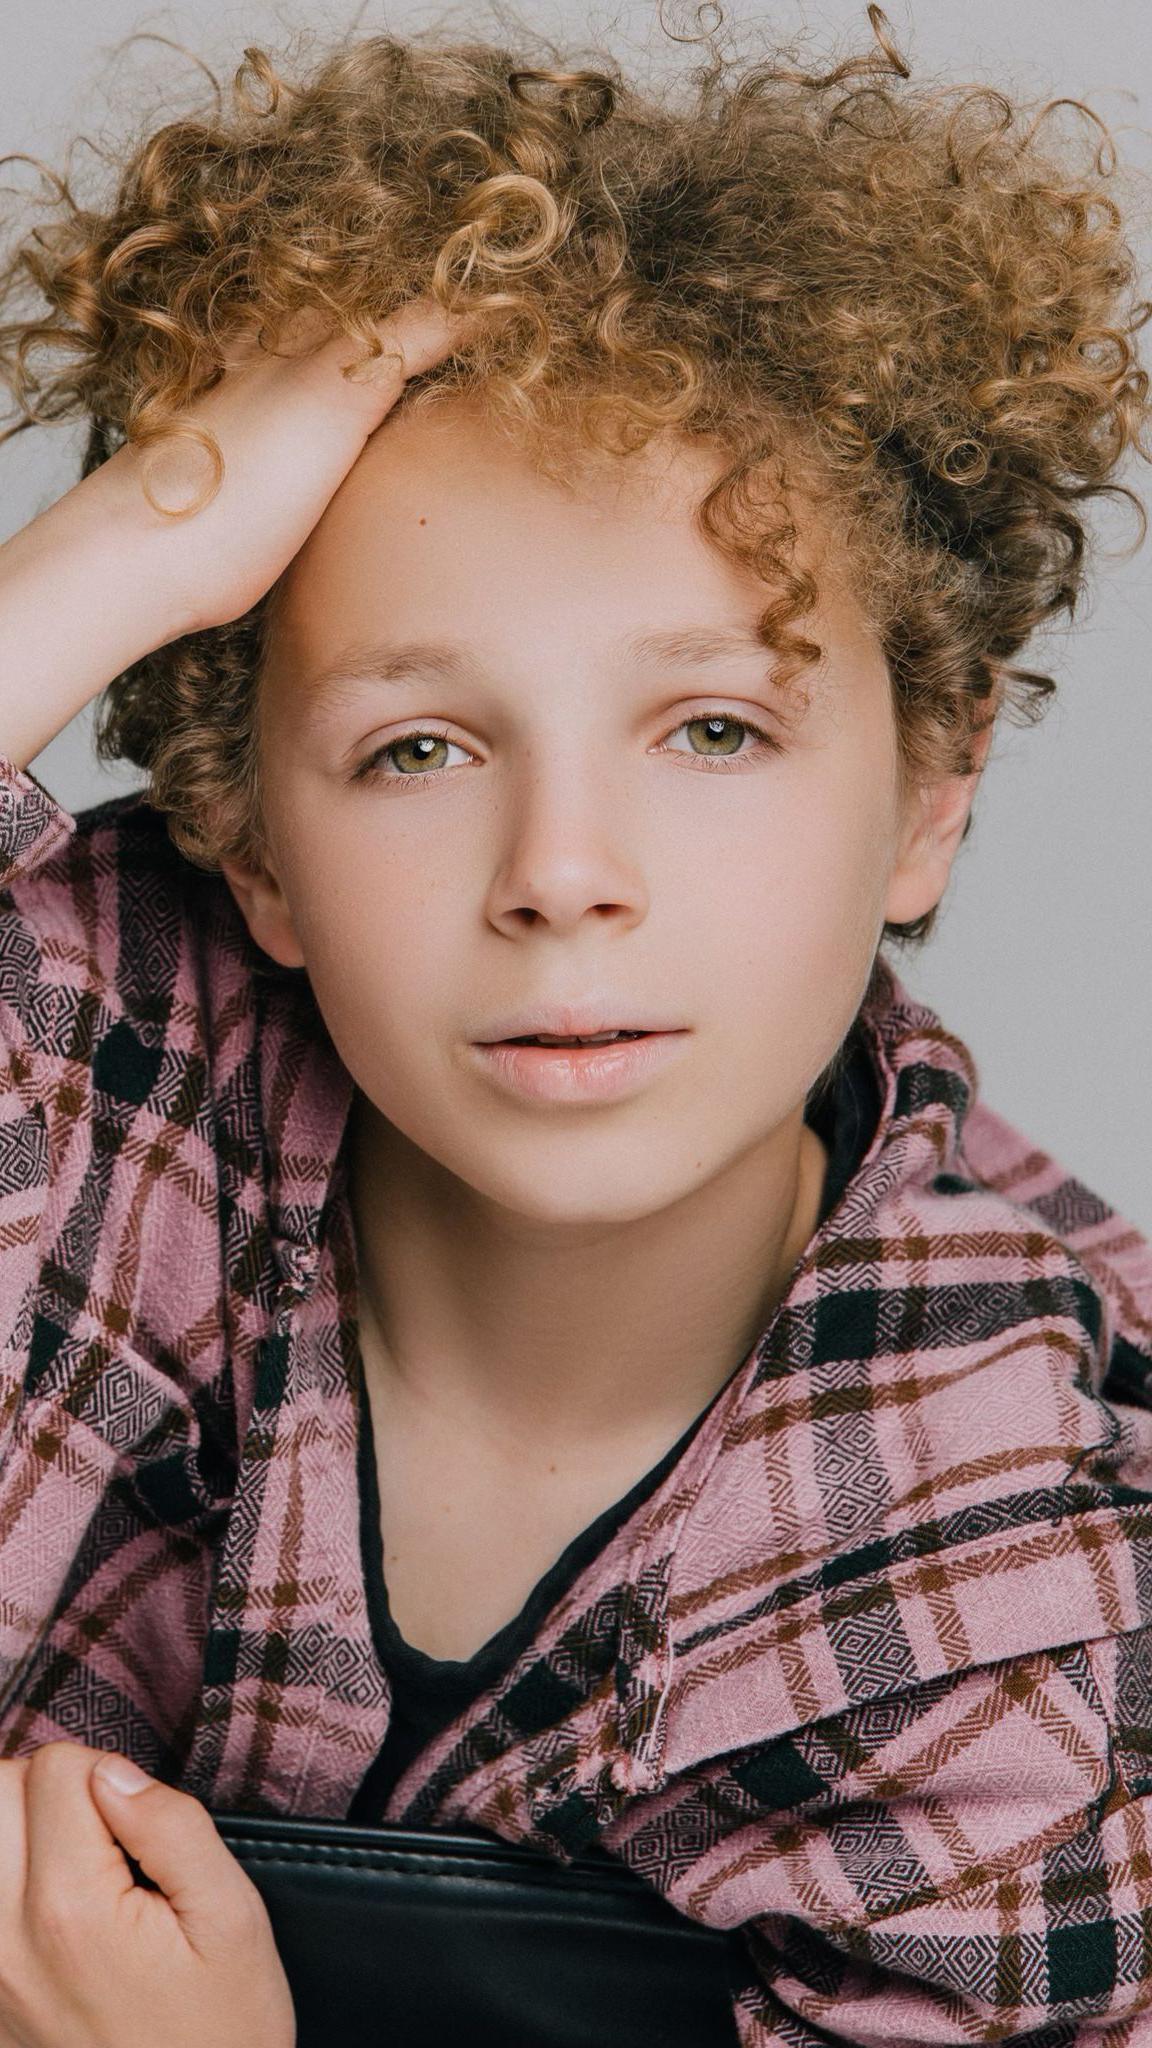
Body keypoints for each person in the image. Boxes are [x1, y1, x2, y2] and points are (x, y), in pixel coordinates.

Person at [0, 5, 1150, 2042]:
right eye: (419, 745)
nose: (563, 871)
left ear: (933, 790)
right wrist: (129, 546)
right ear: (248, 842)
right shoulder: (98, 1063)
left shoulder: (1040, 1562)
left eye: (714, 727)